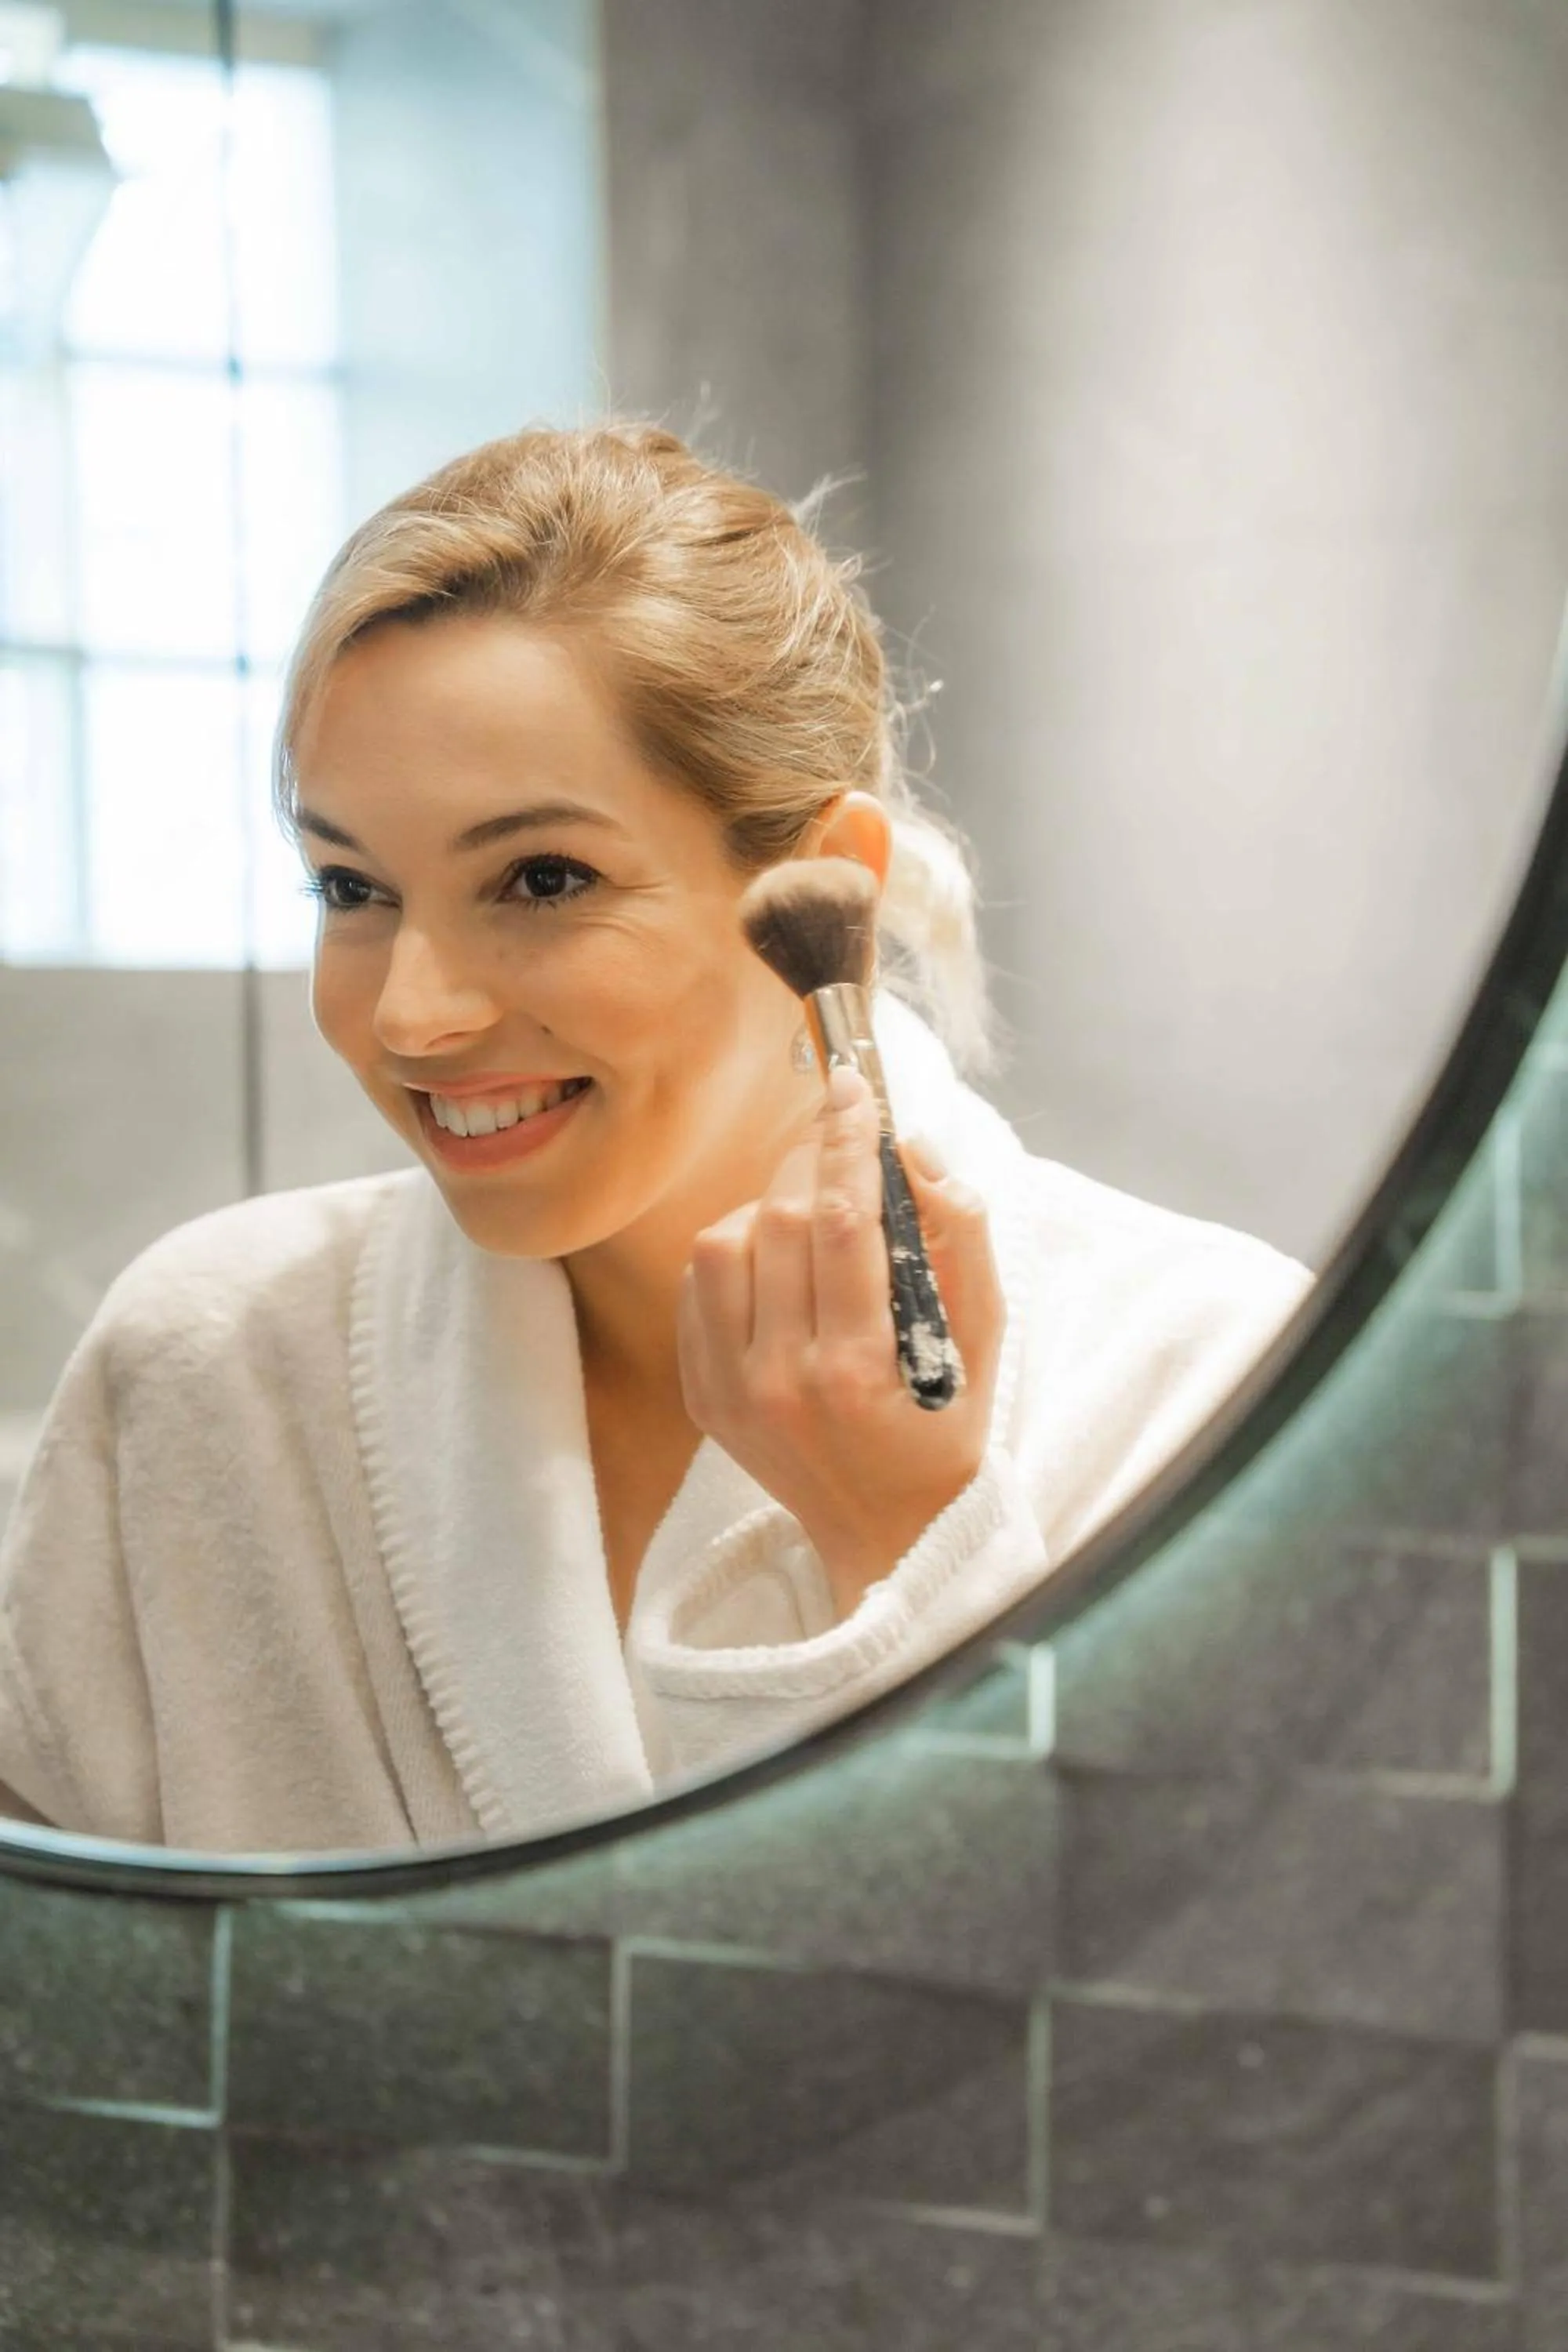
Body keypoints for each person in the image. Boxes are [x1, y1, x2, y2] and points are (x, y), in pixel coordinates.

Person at [0, 420, 1313, 1855]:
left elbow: (1217, 2032)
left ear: (831, 882)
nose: (416, 1016)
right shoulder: (212, 1361)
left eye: (542, 878)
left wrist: (902, 1543)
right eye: (351, 887)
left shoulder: (1200, 1382)